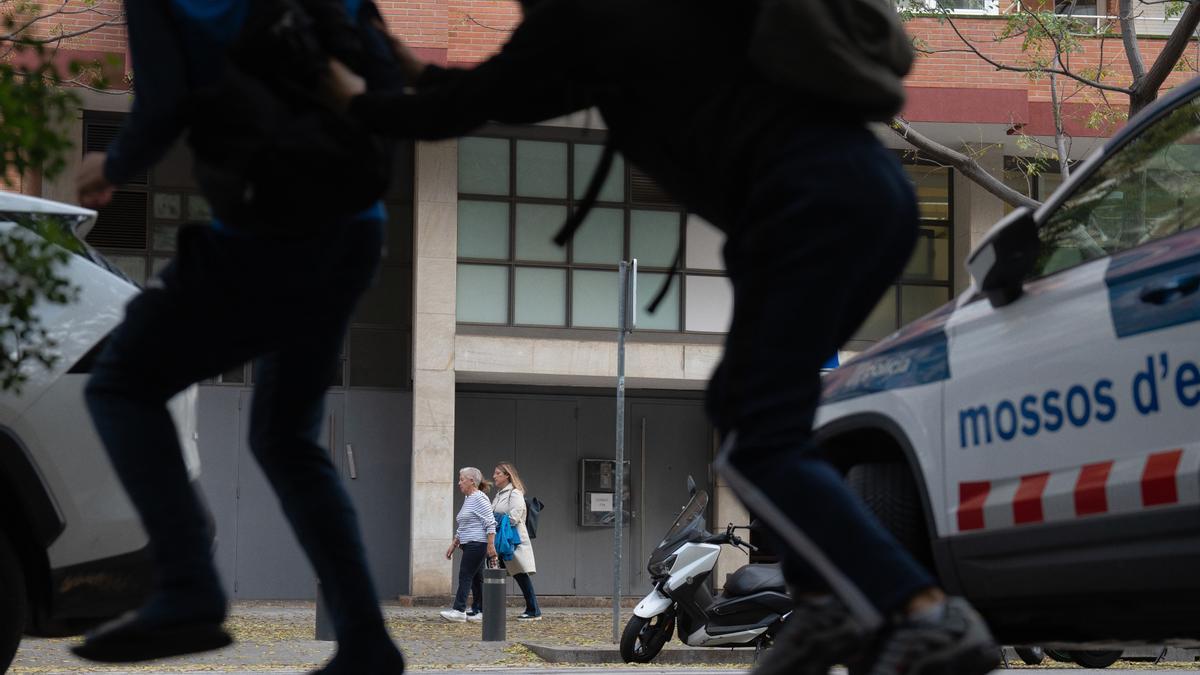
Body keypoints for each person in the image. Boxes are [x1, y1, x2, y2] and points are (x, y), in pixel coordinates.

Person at [328, 1, 1000, 673]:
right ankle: (828, 598)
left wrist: (339, 92)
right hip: (838, 201)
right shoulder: (605, 24)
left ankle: (921, 610)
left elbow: (458, 106)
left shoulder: (585, 19)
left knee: (758, 430)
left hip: (818, 206)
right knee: (754, 421)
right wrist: (403, 67)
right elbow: (480, 91)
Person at [70, 2, 406, 673]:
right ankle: (366, 637)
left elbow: (163, 106)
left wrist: (111, 165)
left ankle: (188, 582)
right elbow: (380, 65)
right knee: (285, 437)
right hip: (355, 224)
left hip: (273, 228)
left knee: (122, 382)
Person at [442, 467, 497, 623]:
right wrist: (454, 543)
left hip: (477, 543)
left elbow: (490, 522)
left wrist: (491, 546)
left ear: (472, 481)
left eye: (462, 479)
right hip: (469, 543)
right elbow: (464, 525)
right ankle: (480, 611)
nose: (459, 483)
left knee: (465, 575)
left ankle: (459, 610)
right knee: (476, 578)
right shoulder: (469, 499)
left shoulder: (480, 498)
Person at [489, 462, 540, 620]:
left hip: (512, 540)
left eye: (498, 473)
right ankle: (486, 607)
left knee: (520, 574)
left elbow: (513, 517)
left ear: (507, 476)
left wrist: (495, 520)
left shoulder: (514, 493)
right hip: (500, 539)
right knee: (494, 572)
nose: (494, 476)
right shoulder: (499, 494)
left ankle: (534, 610)